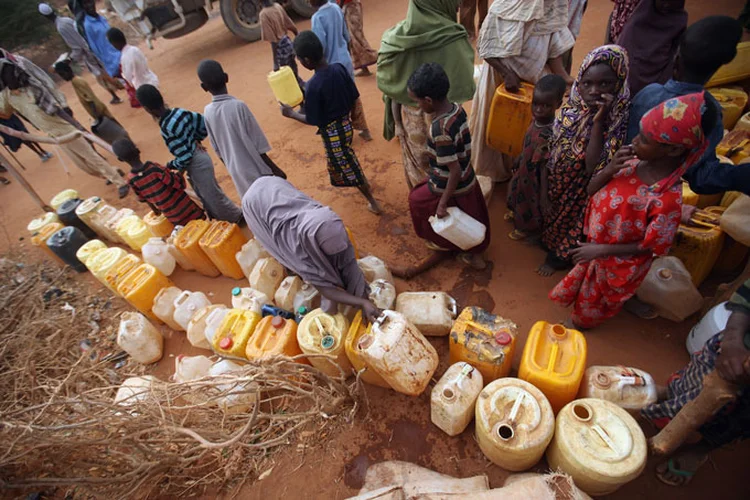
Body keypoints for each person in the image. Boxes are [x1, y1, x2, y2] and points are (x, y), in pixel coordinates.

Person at [550, 92, 709, 329]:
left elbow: (653, 246)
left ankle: (580, 323)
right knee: (595, 288)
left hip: (614, 261)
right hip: (595, 248)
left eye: (644, 139)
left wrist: (601, 249)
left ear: (673, 151)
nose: (634, 141)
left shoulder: (665, 199)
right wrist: (610, 168)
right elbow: (591, 189)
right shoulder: (631, 163)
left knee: (597, 298)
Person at [641, 278, 750, 486]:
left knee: (734, 421)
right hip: (735, 346)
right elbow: (746, 298)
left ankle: (700, 449)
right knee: (695, 376)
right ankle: (670, 393)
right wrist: (733, 341)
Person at [627, 16, 749, 196]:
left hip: (621, 183)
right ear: (723, 64)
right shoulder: (706, 112)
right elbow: (700, 177)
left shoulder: (649, 93)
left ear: (676, 59)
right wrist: (740, 176)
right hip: (653, 198)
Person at [540, 45, 630, 276]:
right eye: (587, 83)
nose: (594, 91)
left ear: (618, 82)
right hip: (556, 181)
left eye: (605, 84)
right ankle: (548, 245)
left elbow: (592, 167)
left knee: (569, 226)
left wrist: (599, 121)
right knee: (551, 218)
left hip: (579, 193)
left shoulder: (615, 121)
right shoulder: (571, 110)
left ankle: (557, 259)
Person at [243, 175, 381, 322]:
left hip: (275, 185)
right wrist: (362, 303)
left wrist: (365, 298)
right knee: (289, 257)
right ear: (315, 247)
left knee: (330, 264)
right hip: (256, 205)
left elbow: (348, 263)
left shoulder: (331, 223)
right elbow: (326, 290)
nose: (337, 256)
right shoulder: (300, 250)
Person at [471, 0, 575, 185]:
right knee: (496, 127)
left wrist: (566, 79)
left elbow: (553, 52)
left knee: (528, 133)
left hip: (535, 85)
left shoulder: (551, 7)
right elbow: (486, 48)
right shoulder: (502, 8)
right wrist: (506, 73)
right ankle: (497, 173)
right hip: (500, 80)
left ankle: (522, 174)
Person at [279, 31, 381, 215]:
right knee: (345, 159)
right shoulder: (339, 68)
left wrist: (291, 114)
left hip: (333, 132)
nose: (301, 63)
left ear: (307, 61)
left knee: (349, 165)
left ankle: (373, 202)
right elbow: (352, 95)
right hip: (346, 124)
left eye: (300, 60)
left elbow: (313, 119)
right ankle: (361, 188)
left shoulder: (313, 86)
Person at [377, 0, 475, 190]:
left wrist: (398, 124)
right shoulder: (454, 36)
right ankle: (448, 200)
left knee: (419, 165)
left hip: (413, 119)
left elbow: (392, 85)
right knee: (452, 160)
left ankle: (424, 200)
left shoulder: (396, 39)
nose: (456, 6)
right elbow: (464, 79)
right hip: (448, 116)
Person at [0, 56, 129, 198]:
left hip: (65, 127)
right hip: (53, 135)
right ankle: (113, 172)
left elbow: (50, 88)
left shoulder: (32, 86)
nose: (11, 76)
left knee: (91, 157)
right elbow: (5, 114)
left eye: (11, 72)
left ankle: (120, 182)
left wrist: (64, 107)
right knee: (83, 166)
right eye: (7, 74)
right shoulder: (6, 96)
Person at [404, 63, 490, 275]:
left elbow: (453, 172)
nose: (418, 105)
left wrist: (442, 203)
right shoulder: (456, 108)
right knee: (472, 215)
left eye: (417, 101)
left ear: (429, 101)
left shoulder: (439, 129)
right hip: (467, 177)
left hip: (450, 182)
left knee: (416, 200)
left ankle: (442, 242)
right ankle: (472, 251)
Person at [135, 84, 243, 223]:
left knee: (212, 196)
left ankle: (238, 218)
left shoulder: (166, 127)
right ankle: (223, 220)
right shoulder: (178, 112)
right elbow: (202, 124)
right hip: (200, 156)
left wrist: (170, 165)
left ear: (147, 109)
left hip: (196, 163)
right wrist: (195, 139)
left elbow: (185, 156)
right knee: (205, 194)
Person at [198, 59, 287, 198]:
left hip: (238, 175)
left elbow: (218, 151)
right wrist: (275, 169)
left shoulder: (207, 112)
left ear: (203, 87)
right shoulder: (239, 106)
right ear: (226, 77)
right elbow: (258, 145)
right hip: (258, 171)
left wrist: (233, 169)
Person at [506, 74, 566, 241]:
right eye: (536, 104)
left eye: (546, 106)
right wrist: (519, 157)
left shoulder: (548, 133)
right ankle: (515, 212)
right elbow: (528, 143)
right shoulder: (535, 120)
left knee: (528, 204)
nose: (539, 109)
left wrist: (544, 195)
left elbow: (544, 166)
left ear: (558, 105)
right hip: (524, 169)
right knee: (515, 190)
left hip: (534, 179)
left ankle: (526, 229)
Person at [310, 0, 372, 141]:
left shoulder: (317, 18)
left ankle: (342, 133)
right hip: (345, 59)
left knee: (335, 100)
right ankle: (364, 129)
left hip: (331, 65)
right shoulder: (336, 8)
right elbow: (346, 35)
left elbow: (320, 46)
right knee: (352, 94)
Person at [38, 2, 122, 104]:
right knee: (102, 72)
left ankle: (119, 90)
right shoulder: (66, 20)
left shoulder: (61, 27)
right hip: (89, 50)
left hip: (88, 53)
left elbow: (77, 47)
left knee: (101, 75)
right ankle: (117, 91)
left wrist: (70, 60)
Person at [112, 138, 205, 226]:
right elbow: (177, 183)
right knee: (202, 226)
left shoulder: (131, 180)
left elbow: (143, 199)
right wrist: (182, 168)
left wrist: (156, 211)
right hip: (186, 208)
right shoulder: (154, 169)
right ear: (138, 150)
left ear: (120, 159)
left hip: (172, 216)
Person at [617, 0, 687, 96]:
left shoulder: (679, 22)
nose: (666, 3)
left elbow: (674, 59)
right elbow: (621, 54)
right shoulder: (636, 23)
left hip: (656, 86)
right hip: (627, 81)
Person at [259, 0, 304, 94]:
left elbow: (273, 41)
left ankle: (302, 96)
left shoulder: (264, 15)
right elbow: (290, 24)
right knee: (293, 71)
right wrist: (297, 37)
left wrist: (275, 62)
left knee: (288, 77)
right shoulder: (277, 6)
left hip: (281, 49)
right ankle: (302, 88)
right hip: (288, 44)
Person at [81, 0, 122, 96]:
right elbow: (94, 48)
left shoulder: (101, 18)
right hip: (111, 60)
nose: (89, 5)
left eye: (90, 2)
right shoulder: (88, 25)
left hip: (119, 53)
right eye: (85, 4)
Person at [338, 0, 377, 76]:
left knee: (356, 37)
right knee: (354, 38)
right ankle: (364, 67)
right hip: (349, 6)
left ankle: (376, 56)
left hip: (350, 6)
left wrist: (339, 7)